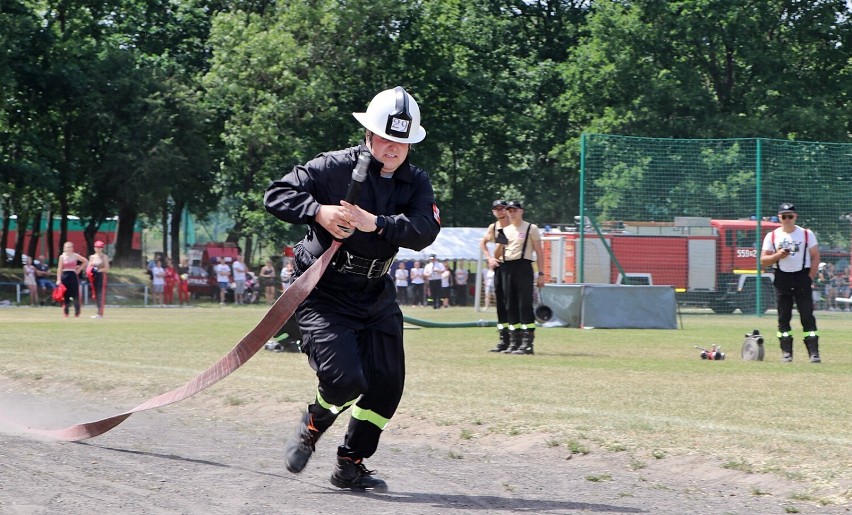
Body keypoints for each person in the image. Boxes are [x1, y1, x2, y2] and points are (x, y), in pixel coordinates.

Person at [263, 86, 440, 492]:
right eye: (385, 138)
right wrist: (318, 212)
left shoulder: (416, 182)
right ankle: (312, 426)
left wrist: (375, 223)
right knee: (346, 381)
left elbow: (425, 231)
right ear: (368, 135)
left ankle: (351, 462)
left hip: (376, 294)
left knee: (387, 386)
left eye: (403, 141)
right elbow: (277, 194)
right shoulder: (332, 168)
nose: (393, 148)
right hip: (323, 292)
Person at [760, 202, 821, 363]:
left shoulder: (807, 234)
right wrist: (777, 255)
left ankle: (814, 353)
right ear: (779, 217)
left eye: (790, 216)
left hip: (802, 277)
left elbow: (815, 256)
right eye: (784, 216)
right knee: (783, 317)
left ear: (795, 217)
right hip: (782, 278)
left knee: (807, 315)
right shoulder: (772, 236)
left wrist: (810, 277)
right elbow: (764, 261)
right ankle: (786, 353)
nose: (787, 219)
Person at [499, 200, 546, 355]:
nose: (512, 213)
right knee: (509, 305)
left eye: (515, 210)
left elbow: (539, 252)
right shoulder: (505, 230)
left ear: (521, 211)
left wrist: (541, 274)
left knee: (524, 305)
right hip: (507, 267)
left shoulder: (531, 228)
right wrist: (499, 244)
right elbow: (497, 254)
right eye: (509, 210)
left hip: (523, 267)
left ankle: (527, 344)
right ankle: (514, 342)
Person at [480, 199, 511, 351]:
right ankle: (503, 339)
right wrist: (489, 258)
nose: (500, 211)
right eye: (496, 209)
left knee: (511, 303)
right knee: (500, 303)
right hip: (500, 266)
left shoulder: (514, 226)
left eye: (502, 208)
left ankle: (516, 339)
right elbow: (483, 243)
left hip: (513, 265)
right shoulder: (493, 227)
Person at [56, 241, 88, 317]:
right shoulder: (62, 257)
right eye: (67, 247)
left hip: (73, 275)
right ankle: (66, 312)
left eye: (70, 247)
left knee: (75, 294)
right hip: (65, 275)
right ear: (64, 248)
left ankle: (77, 312)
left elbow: (85, 261)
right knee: (65, 294)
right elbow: (59, 268)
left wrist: (79, 269)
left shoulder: (75, 255)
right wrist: (58, 279)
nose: (69, 249)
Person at [86, 240, 110, 317]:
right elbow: (89, 267)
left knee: (100, 294)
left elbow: (106, 268)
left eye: (100, 247)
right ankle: (98, 310)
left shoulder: (104, 257)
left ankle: (100, 312)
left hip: (101, 276)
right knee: (95, 294)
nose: (98, 249)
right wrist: (91, 271)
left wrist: (98, 270)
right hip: (93, 277)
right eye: (97, 247)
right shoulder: (92, 257)